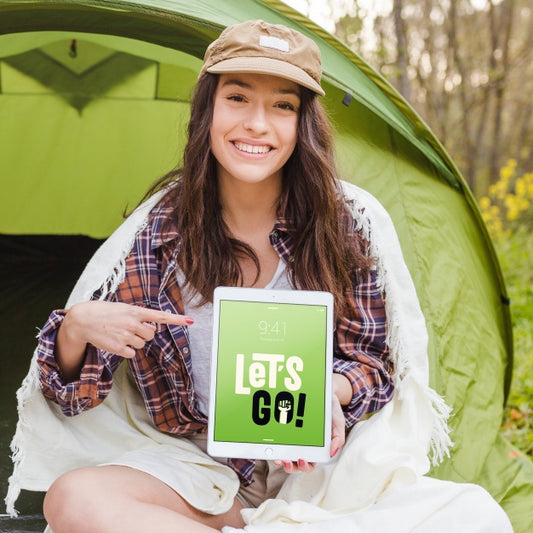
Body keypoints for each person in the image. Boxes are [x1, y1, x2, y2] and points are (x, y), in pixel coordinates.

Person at [36, 19, 395, 533]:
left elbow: (374, 364)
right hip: (197, 471)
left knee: (474, 517)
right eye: (238, 98)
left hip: (321, 475)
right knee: (72, 500)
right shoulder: (160, 231)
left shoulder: (345, 226)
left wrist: (328, 395)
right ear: (208, 109)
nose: (257, 124)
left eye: (283, 106)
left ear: (303, 124)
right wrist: (75, 328)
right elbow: (74, 397)